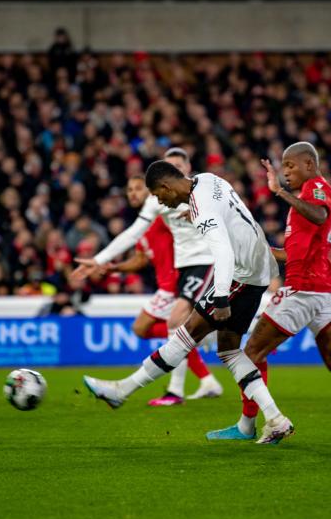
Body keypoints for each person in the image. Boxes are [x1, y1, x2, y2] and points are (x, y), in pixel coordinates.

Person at [207, 142, 331, 441]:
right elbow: (293, 253)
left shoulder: (316, 188)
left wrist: (280, 193)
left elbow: (318, 215)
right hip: (322, 288)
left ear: (310, 165)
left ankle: (250, 426)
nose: (286, 171)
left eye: (291, 165)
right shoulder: (307, 198)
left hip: (303, 288)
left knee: (249, 353)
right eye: (283, 166)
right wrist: (255, 250)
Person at [83, 161, 294, 445]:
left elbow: (222, 251)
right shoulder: (209, 180)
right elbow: (234, 215)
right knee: (229, 350)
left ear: (166, 187)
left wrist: (220, 297)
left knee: (184, 334)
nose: (161, 202)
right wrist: (192, 212)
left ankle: (121, 390)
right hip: (258, 272)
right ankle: (275, 419)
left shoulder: (202, 209)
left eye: (159, 196)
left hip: (238, 276)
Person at [73, 148, 221, 404]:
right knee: (191, 331)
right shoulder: (157, 202)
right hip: (185, 266)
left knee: (176, 321)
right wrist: (99, 260)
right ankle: (208, 345)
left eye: (178, 165)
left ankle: (174, 391)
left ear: (187, 167)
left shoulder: (204, 188)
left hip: (206, 261)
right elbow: (132, 234)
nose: (174, 170)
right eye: (170, 166)